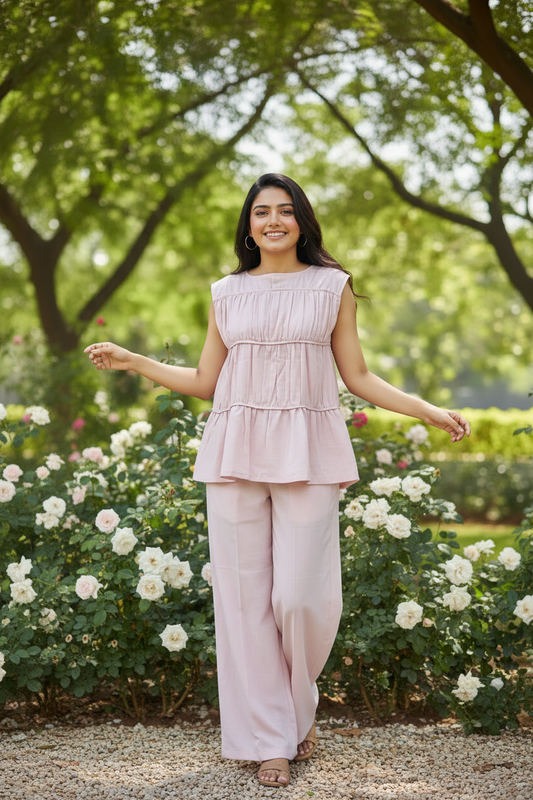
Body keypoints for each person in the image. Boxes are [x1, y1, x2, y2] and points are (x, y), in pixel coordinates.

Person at [85, 173, 470, 788]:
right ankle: (272, 741)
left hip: (310, 452)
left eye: (285, 212)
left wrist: (425, 408)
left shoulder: (331, 287)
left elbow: (359, 378)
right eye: (261, 211)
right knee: (242, 602)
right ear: (248, 225)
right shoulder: (226, 293)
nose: (273, 221)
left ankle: (296, 707)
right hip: (235, 451)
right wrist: (135, 361)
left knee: (300, 597)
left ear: (301, 222)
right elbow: (207, 380)